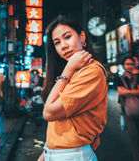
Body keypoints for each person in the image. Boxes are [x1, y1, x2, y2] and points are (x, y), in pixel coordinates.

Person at [38, 15, 108, 161]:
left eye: (67, 37)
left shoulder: (92, 71)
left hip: (73, 155)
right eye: (57, 42)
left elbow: (49, 113)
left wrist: (68, 68)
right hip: (55, 153)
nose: (63, 45)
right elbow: (58, 125)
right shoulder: (74, 72)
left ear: (82, 37)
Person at [116, 57, 139, 161]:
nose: (129, 66)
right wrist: (134, 91)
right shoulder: (119, 78)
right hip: (126, 110)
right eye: (127, 64)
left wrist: (127, 91)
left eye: (131, 64)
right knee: (133, 134)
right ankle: (137, 157)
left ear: (134, 65)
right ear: (123, 66)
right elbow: (120, 92)